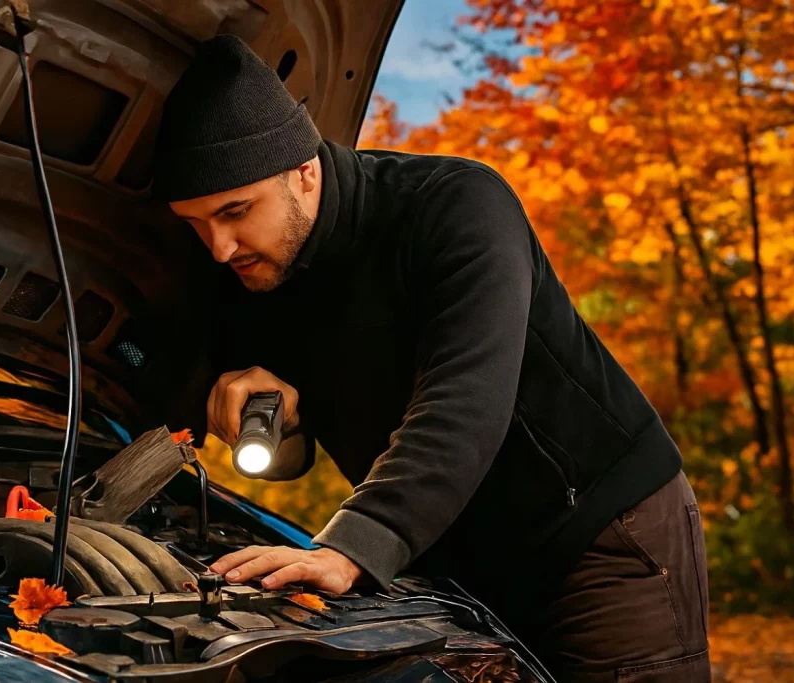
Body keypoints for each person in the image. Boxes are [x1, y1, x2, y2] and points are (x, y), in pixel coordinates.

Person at [152, 34, 710, 682]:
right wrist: (272, 423)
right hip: (452, 562)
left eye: (236, 212)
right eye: (197, 225)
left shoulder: (456, 206)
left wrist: (351, 545)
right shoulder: (253, 280)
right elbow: (288, 460)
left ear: (304, 170)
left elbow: (466, 398)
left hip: (596, 537)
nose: (219, 247)